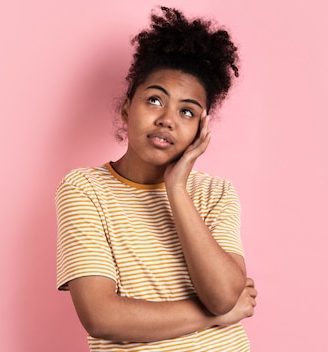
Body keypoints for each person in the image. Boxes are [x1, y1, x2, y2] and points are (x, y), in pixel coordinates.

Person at [55, 6, 258, 351]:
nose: (167, 119)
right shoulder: (84, 189)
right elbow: (102, 317)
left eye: (187, 111)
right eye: (154, 100)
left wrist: (176, 188)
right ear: (126, 108)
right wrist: (213, 315)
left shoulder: (216, 193)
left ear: (200, 129)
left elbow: (223, 295)